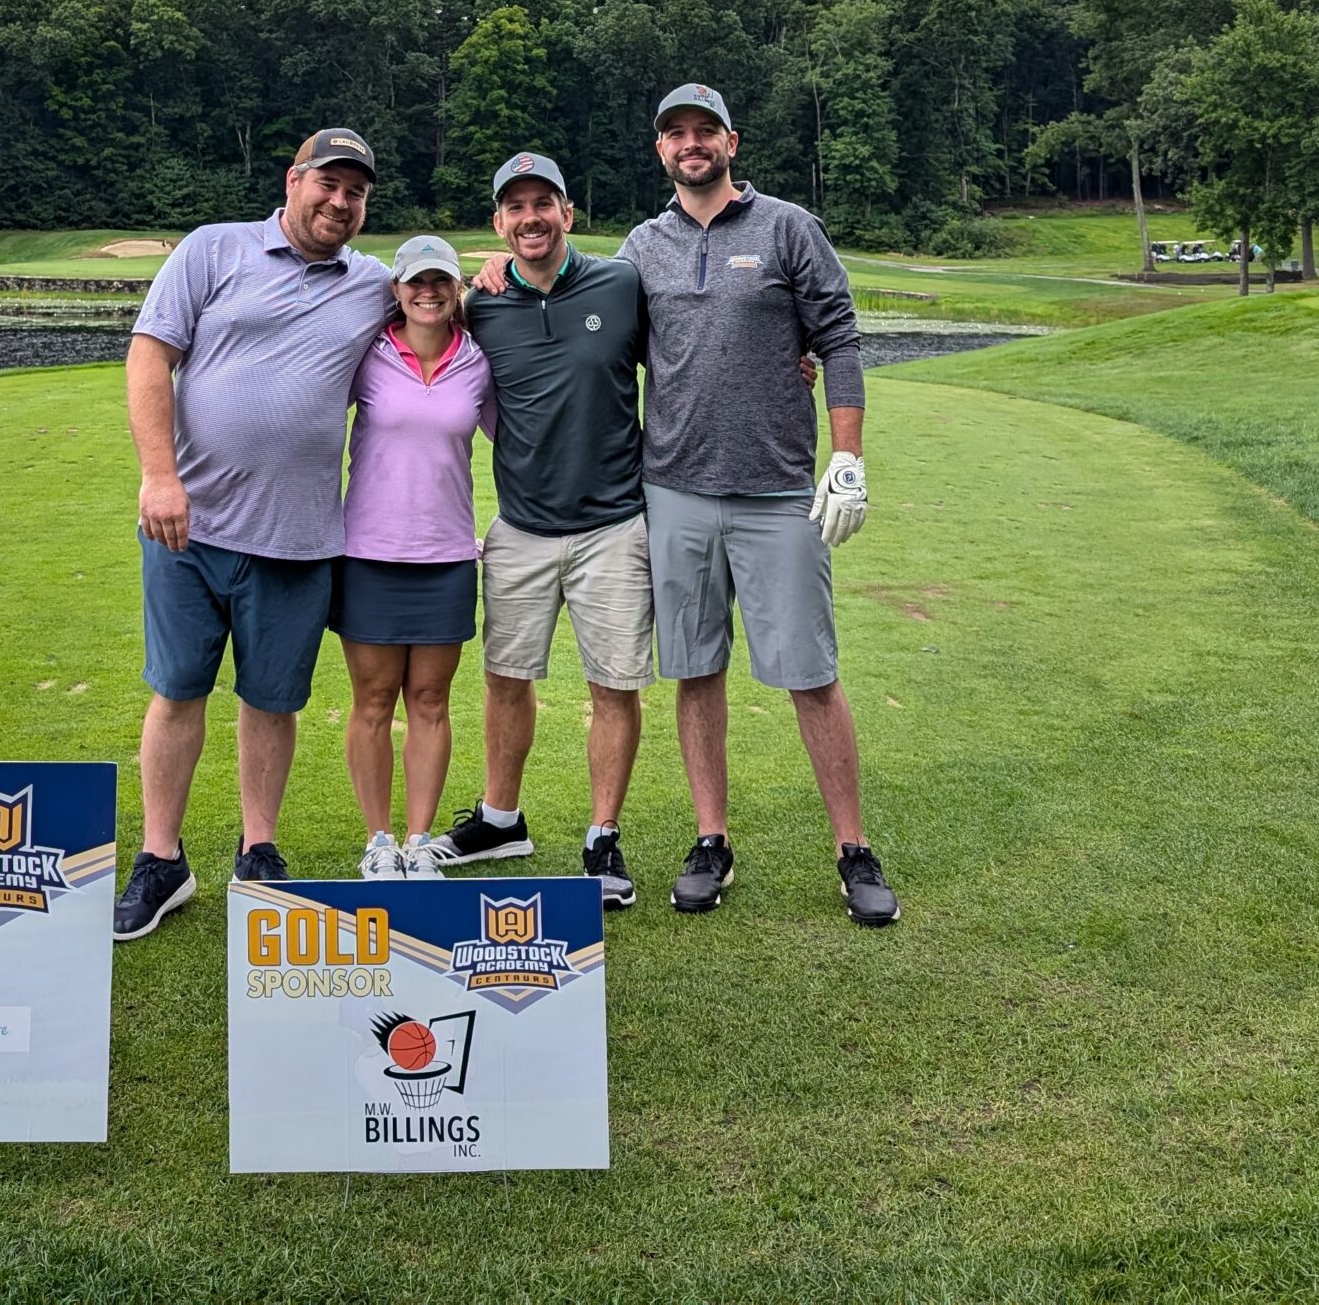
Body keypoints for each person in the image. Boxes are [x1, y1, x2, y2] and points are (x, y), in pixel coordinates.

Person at [619, 83, 899, 927]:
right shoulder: (641, 245)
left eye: (706, 131)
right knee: (696, 669)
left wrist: (846, 456)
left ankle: (852, 848)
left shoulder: (788, 227)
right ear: (660, 148)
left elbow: (838, 338)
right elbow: (615, 346)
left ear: (731, 143)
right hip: (674, 490)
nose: (692, 144)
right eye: (677, 133)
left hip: (778, 492)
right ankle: (712, 839)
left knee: (810, 673)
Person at [113, 129, 392, 941]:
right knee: (177, 690)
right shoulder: (213, 250)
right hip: (187, 529)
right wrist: (159, 476)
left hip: (299, 538)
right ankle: (162, 858)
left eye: (356, 193)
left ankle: (258, 848)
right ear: (293, 180)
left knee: (272, 700)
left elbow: (442, 306)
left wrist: (489, 275)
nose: (340, 202)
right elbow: (147, 356)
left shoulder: (373, 283)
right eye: (328, 185)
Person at [436, 153, 655, 909]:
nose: (530, 217)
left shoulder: (621, 284)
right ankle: (501, 818)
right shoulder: (478, 303)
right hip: (521, 525)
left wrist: (791, 356)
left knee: (614, 684)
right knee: (506, 676)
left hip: (615, 525)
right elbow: (409, 327)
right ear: (498, 223)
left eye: (544, 203)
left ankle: (602, 840)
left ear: (567, 211)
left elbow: (694, 349)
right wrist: (474, 280)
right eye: (514, 207)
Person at [336, 236, 494, 880]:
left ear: (456, 290)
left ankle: (421, 839)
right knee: (373, 699)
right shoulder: (365, 356)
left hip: (447, 555)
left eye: (440, 282)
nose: (427, 292)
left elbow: (527, 429)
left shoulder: (480, 362)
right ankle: (379, 840)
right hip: (369, 553)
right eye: (414, 282)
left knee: (430, 700)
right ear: (395, 290)